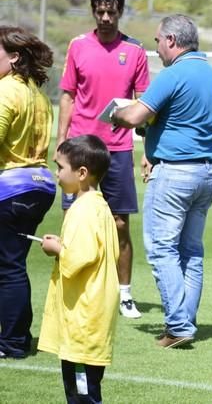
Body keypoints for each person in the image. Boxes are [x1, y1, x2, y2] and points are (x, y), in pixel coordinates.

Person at [111, 14, 212, 348]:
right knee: (191, 251)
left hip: (175, 172)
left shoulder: (173, 74)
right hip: (208, 172)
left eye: (158, 41)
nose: (157, 48)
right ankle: (186, 321)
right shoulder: (211, 74)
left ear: (172, 40)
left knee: (163, 249)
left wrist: (114, 113)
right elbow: (175, 119)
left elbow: (133, 116)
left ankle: (178, 325)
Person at [57, 0, 150, 319]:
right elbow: (68, 96)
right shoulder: (78, 46)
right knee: (73, 220)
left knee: (120, 224)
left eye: (112, 12)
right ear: (94, 12)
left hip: (119, 148)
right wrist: (61, 140)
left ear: (120, 13)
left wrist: (147, 149)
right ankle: (70, 286)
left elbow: (144, 104)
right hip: (81, 149)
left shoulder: (135, 50)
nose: (106, 18)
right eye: (100, 12)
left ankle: (124, 294)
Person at [38, 135, 119, 403]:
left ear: (82, 173)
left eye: (60, 167)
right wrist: (64, 244)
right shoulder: (99, 205)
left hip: (83, 321)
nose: (56, 173)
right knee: (85, 391)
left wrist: (58, 250)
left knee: (82, 396)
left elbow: (81, 257)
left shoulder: (83, 210)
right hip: (92, 317)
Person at [0, 26, 56, 359]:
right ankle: (14, 335)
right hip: (40, 184)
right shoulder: (36, 91)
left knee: (8, 267)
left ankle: (12, 342)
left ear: (14, 57)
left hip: (12, 186)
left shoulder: (6, 90)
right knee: (12, 264)